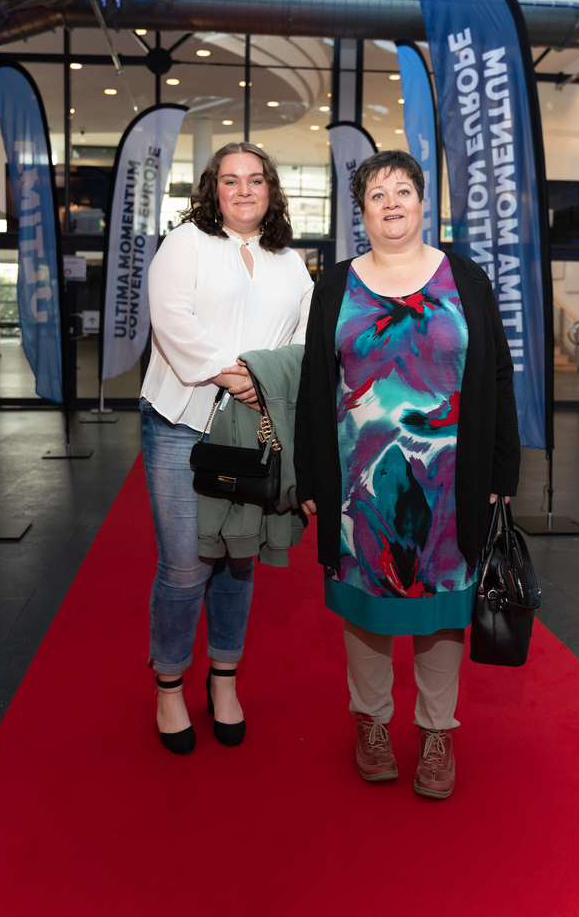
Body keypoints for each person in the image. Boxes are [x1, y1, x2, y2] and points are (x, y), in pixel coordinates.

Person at [295, 149, 520, 799]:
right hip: (358, 486)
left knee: (442, 608)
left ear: (423, 202)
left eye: (402, 191)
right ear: (362, 211)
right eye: (377, 194)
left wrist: (502, 467)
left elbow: (498, 376)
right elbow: (315, 388)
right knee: (366, 607)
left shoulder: (465, 279)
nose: (391, 204)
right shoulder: (335, 286)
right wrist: (310, 479)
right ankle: (370, 723)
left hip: (452, 482)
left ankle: (437, 731)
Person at [141, 142, 313, 755]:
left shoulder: (291, 263)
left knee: (240, 557)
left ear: (271, 190)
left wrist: (264, 382)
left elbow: (305, 340)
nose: (244, 190)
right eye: (231, 180)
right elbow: (171, 320)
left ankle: (224, 680)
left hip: (255, 428)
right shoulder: (185, 243)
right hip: (182, 422)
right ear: (214, 189)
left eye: (256, 180)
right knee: (185, 566)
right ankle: (169, 686)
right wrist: (235, 374)